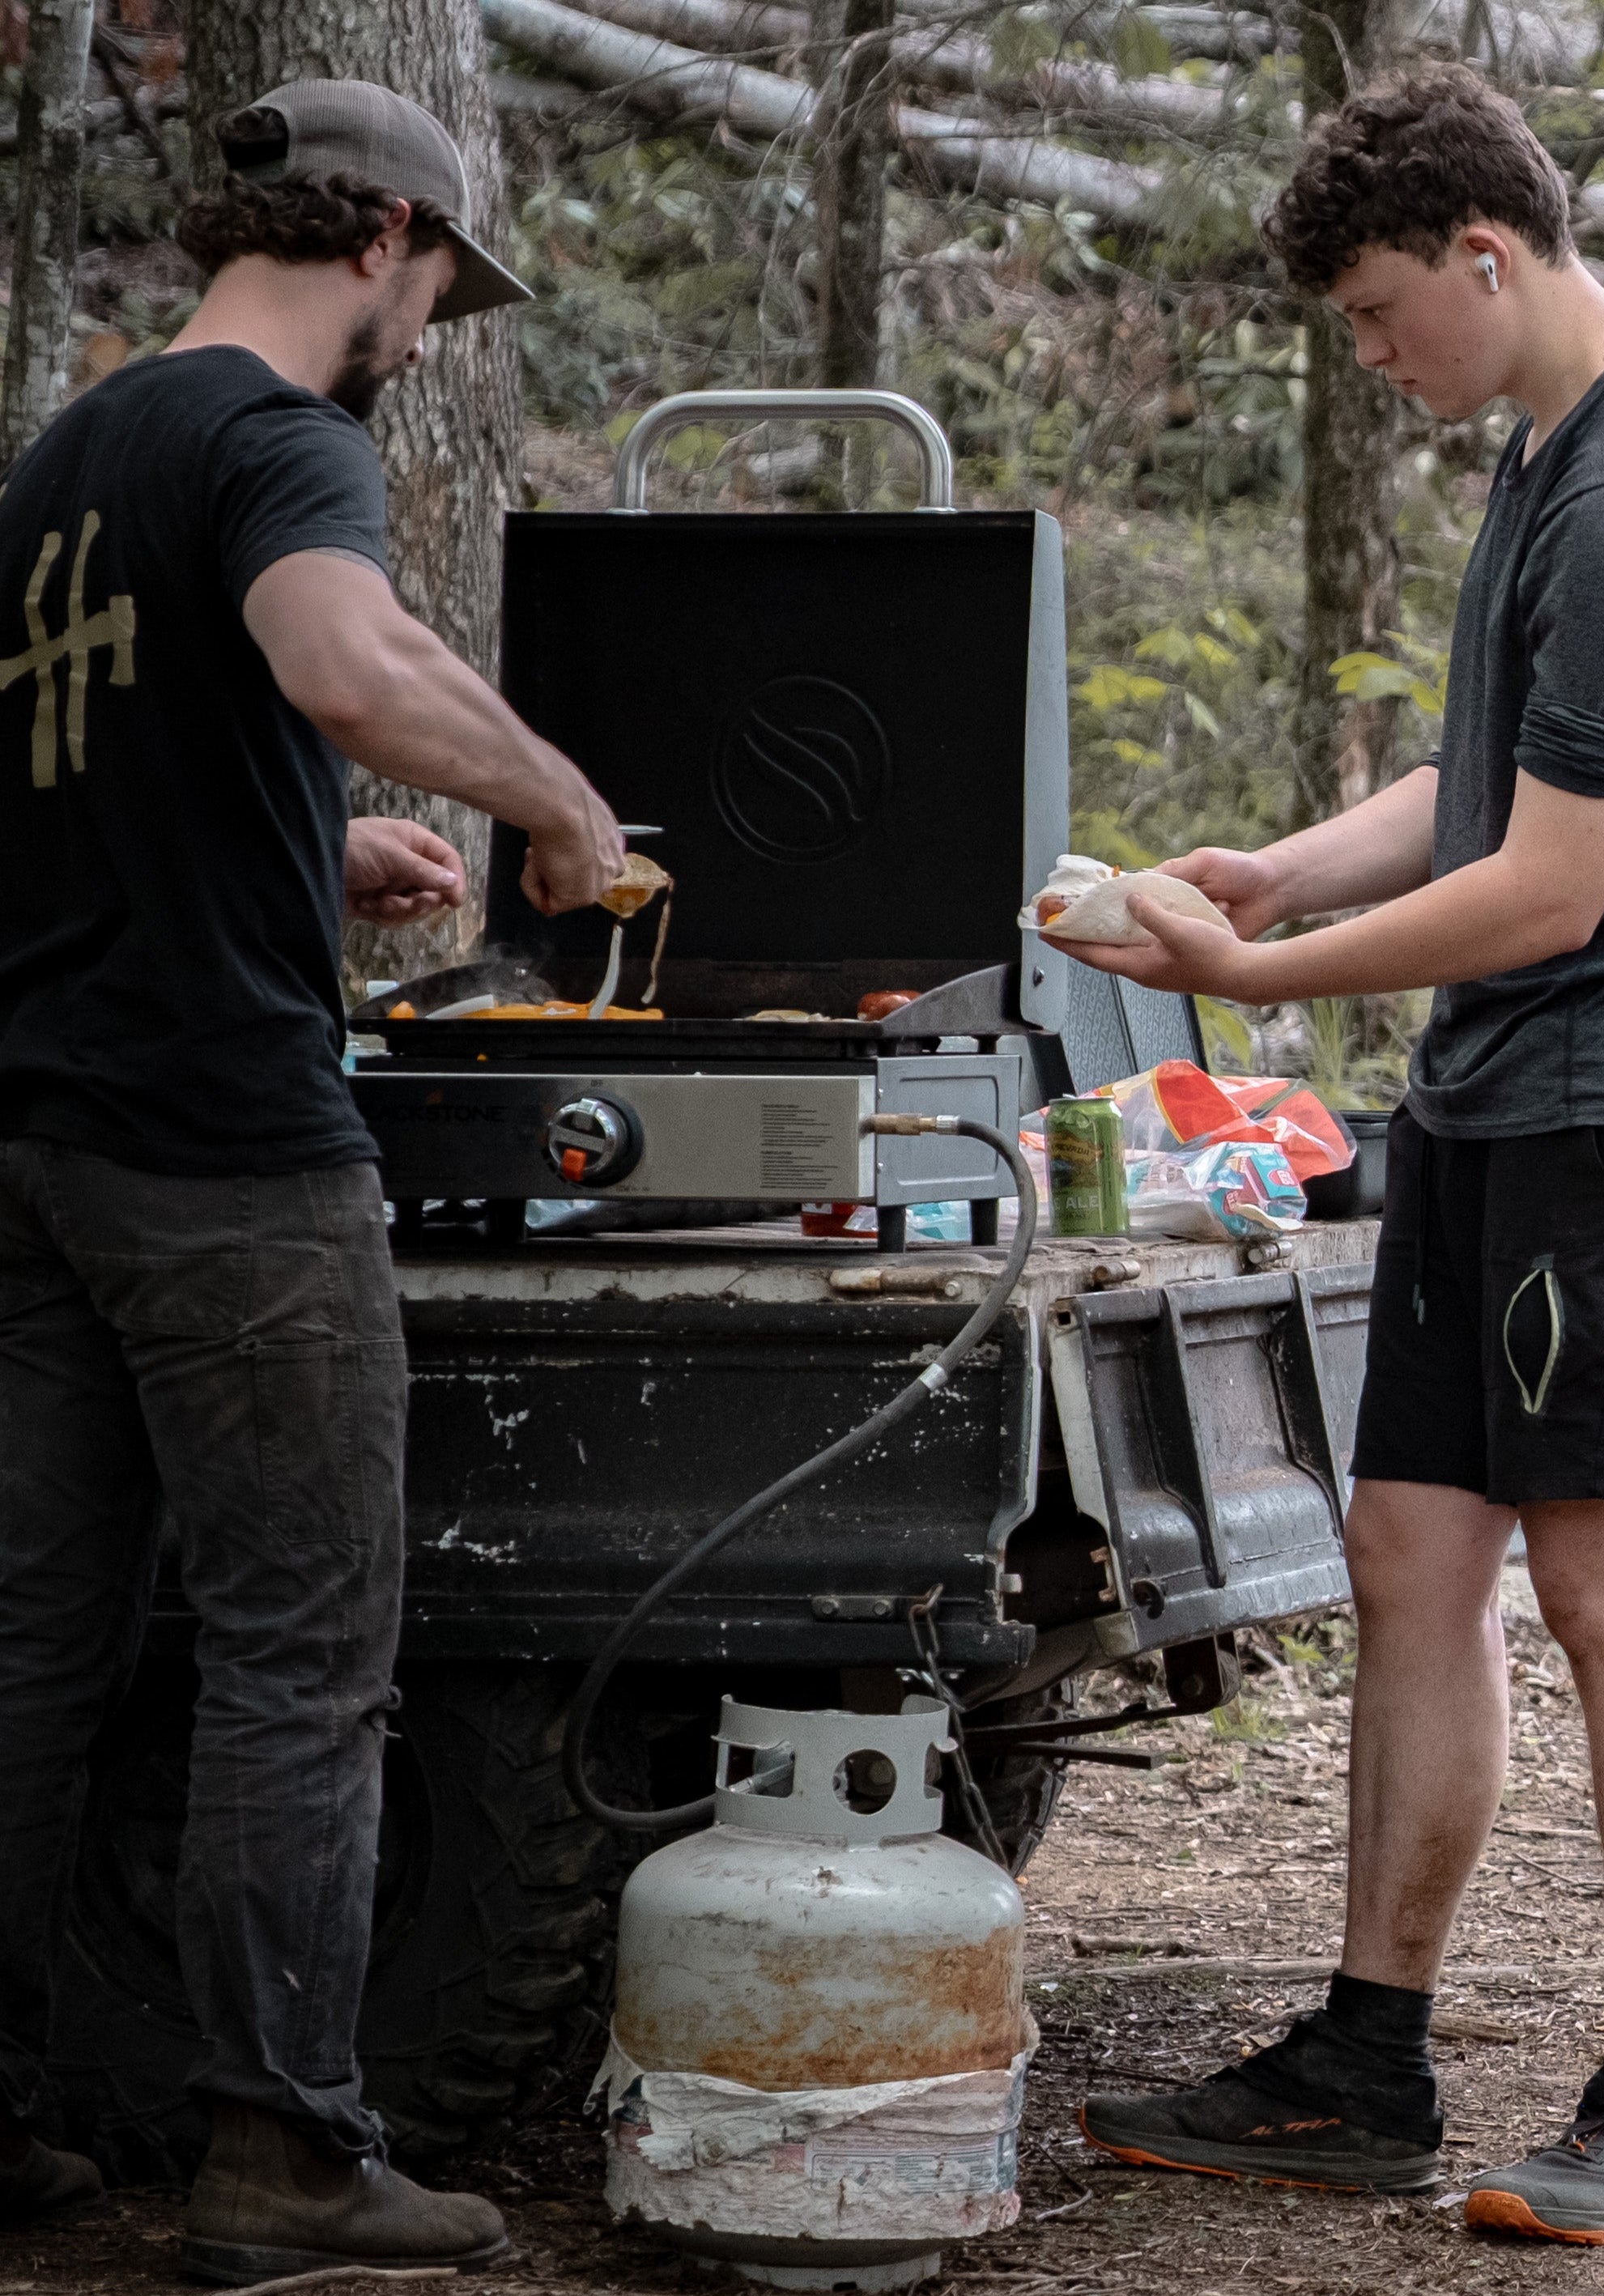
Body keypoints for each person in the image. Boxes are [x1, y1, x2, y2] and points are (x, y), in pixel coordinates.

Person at [1058, 62, 1604, 2247]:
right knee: (1408, 1547)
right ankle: (1363, 2053)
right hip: (1507, 1093)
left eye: (1387, 314)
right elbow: (1492, 772)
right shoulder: (1558, 456)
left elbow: (1557, 880)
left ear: (1492, 255)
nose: (1377, 361)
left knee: (1601, 1578)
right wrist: (1277, 874)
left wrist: (1264, 990)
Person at [0, 78, 623, 2283]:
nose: (434, 328)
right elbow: (350, 658)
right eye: (440, 281)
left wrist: (303, 845)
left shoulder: (70, 458)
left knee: (40, 1645)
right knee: (297, 1648)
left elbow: (96, 771)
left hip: (46, 1134)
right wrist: (553, 805)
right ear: (379, 229)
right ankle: (281, 2147)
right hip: (220, 1153)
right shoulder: (282, 438)